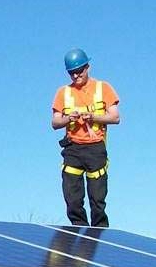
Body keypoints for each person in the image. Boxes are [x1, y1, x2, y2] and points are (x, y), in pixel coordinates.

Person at [51, 48, 120, 227]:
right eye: (71, 73)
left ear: (87, 67)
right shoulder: (63, 93)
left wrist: (94, 117)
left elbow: (115, 117)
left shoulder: (103, 88)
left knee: (97, 200)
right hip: (72, 148)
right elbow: (55, 122)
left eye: (79, 71)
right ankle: (79, 233)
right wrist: (68, 118)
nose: (75, 76)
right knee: (72, 199)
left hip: (95, 148)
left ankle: (99, 237)